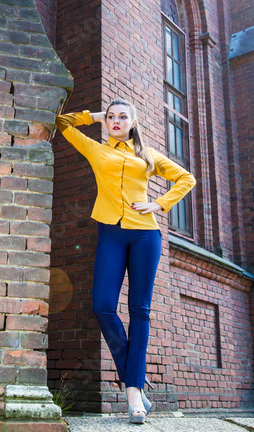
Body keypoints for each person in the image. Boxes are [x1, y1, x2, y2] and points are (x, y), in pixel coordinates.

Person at [55, 98, 196, 424]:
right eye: (112, 117)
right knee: (102, 305)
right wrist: (93, 115)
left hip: (145, 236)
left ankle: (133, 393)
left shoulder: (147, 155)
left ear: (133, 122)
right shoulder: (96, 150)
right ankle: (134, 377)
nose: (116, 121)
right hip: (111, 235)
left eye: (123, 117)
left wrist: (159, 205)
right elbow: (62, 123)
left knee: (139, 310)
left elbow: (186, 179)